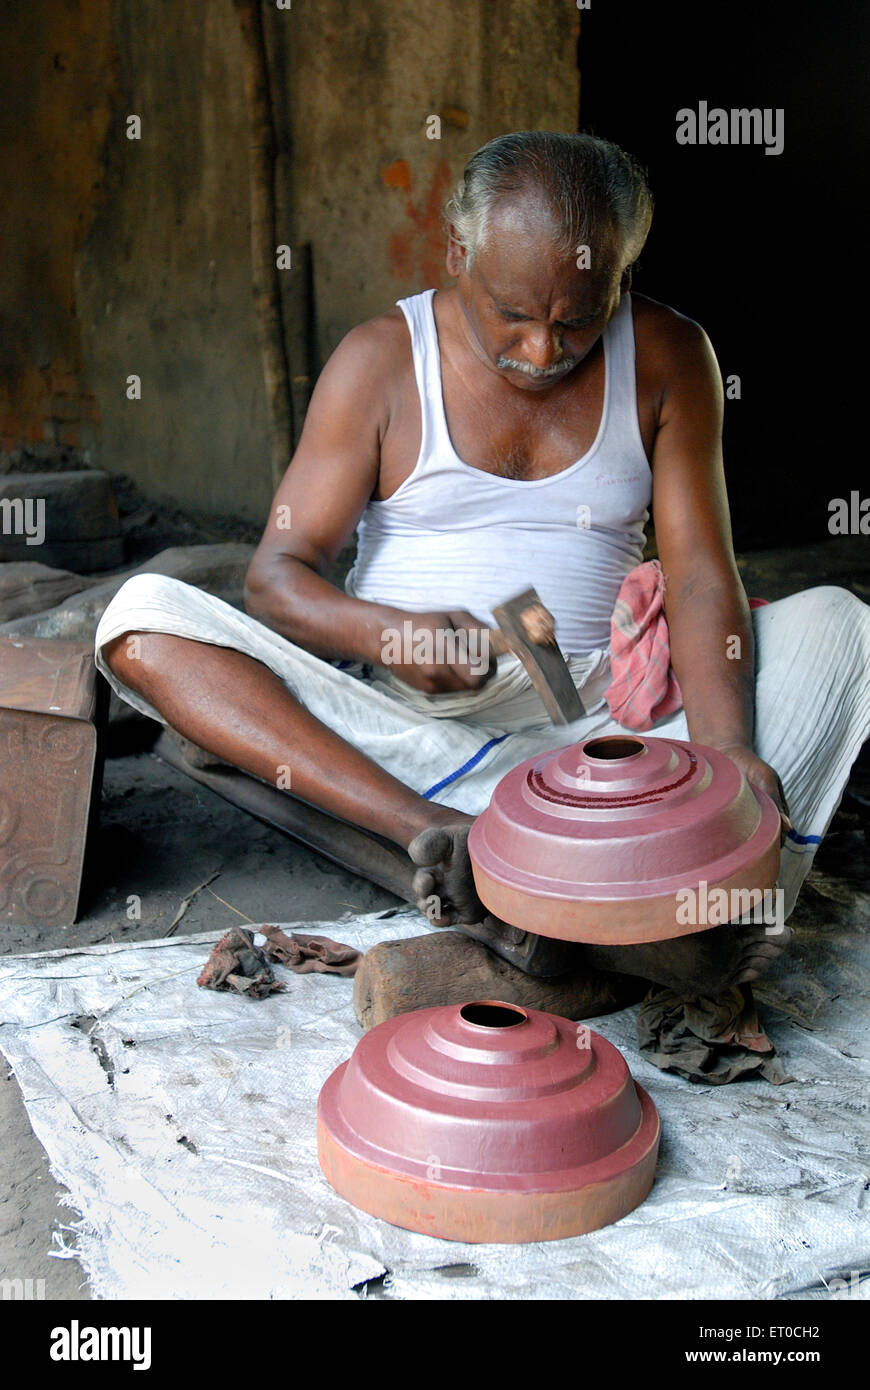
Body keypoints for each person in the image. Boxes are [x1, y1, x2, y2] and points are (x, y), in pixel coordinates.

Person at [95, 132, 870, 998]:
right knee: (143, 617)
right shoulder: (380, 360)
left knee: (839, 624)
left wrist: (725, 753)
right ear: (458, 253)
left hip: (601, 727)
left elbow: (697, 574)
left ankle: (676, 893)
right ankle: (442, 837)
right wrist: (388, 635)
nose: (544, 351)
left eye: (578, 317)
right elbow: (276, 574)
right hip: (407, 731)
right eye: (514, 314)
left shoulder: (669, 354)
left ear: (620, 273)